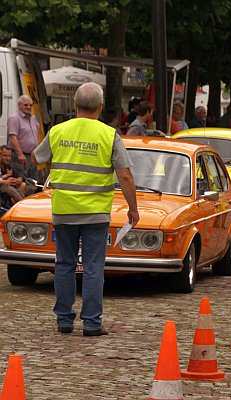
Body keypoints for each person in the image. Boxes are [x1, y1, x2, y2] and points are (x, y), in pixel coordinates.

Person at [32, 82, 139, 336]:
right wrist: (132, 209)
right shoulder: (110, 134)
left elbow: (38, 158)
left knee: (65, 264)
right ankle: (91, 323)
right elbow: (125, 176)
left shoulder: (58, 131)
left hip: (64, 209)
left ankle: (64, 320)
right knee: (93, 267)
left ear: (74, 105)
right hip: (95, 212)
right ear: (101, 107)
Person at [7, 95, 42, 182]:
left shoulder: (33, 118)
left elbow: (36, 133)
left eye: (30, 105)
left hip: (32, 155)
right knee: (21, 181)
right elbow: (12, 137)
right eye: (25, 105)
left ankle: (31, 196)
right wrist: (20, 154)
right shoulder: (14, 118)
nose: (29, 107)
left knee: (32, 182)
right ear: (19, 105)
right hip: (20, 156)